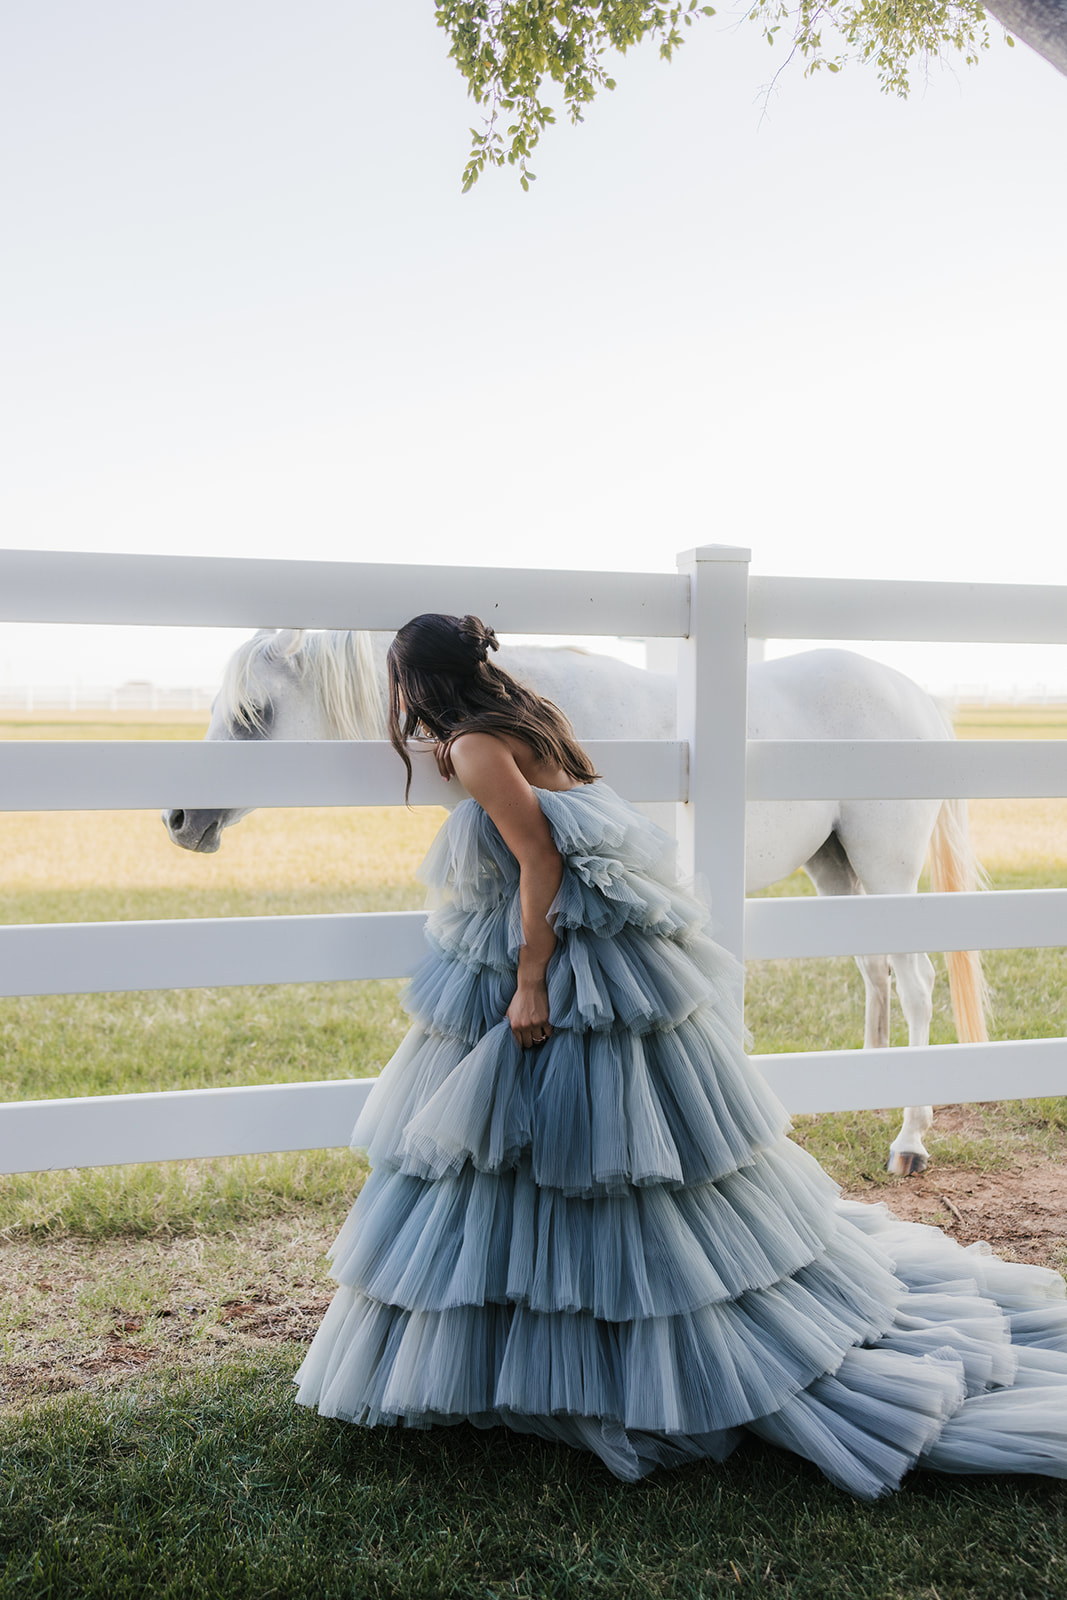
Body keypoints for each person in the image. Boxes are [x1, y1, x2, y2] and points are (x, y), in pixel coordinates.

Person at [294, 612, 1067, 1497]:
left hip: (549, 944)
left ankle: (578, 1342)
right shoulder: (526, 716)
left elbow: (539, 856)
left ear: (414, 685)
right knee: (603, 1149)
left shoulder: (474, 746)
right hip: (597, 935)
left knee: (544, 1146)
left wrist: (533, 976)